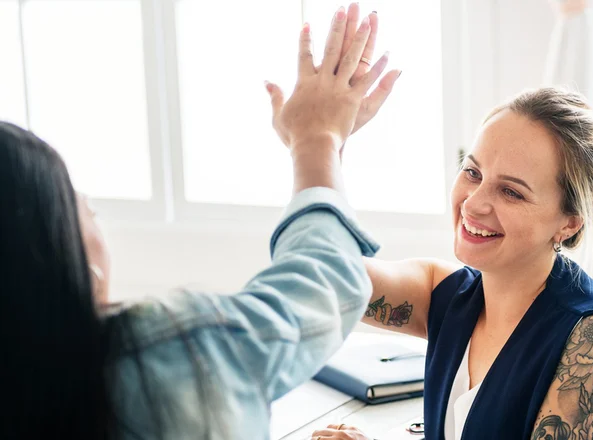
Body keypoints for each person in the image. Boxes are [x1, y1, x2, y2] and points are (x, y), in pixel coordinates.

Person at [0, 5, 401, 439]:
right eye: (86, 210)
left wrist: (324, 149)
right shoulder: (162, 353)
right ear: (68, 261)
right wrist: (317, 139)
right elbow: (322, 286)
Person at [313, 87, 593, 439]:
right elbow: (320, 278)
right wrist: (321, 142)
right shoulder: (445, 295)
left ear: (569, 222)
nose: (473, 204)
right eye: (473, 172)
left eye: (511, 192)